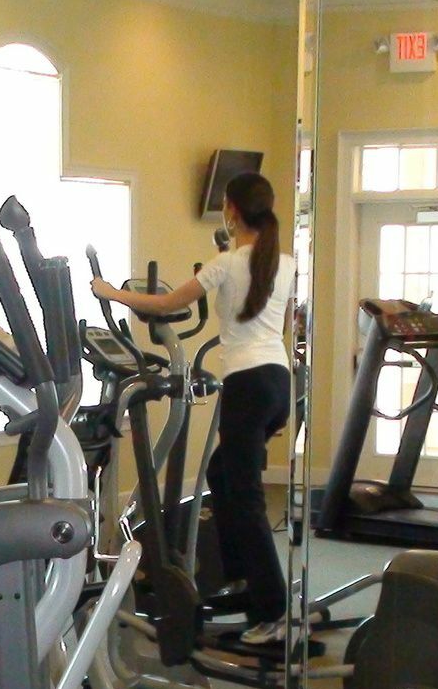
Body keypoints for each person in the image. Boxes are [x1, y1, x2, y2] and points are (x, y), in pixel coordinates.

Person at [92, 172, 295, 647]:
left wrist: (111, 293)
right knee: (224, 474)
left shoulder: (225, 265)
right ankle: (243, 576)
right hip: (278, 381)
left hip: (246, 384)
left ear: (232, 211)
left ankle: (273, 611)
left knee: (243, 497)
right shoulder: (282, 262)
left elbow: (166, 302)